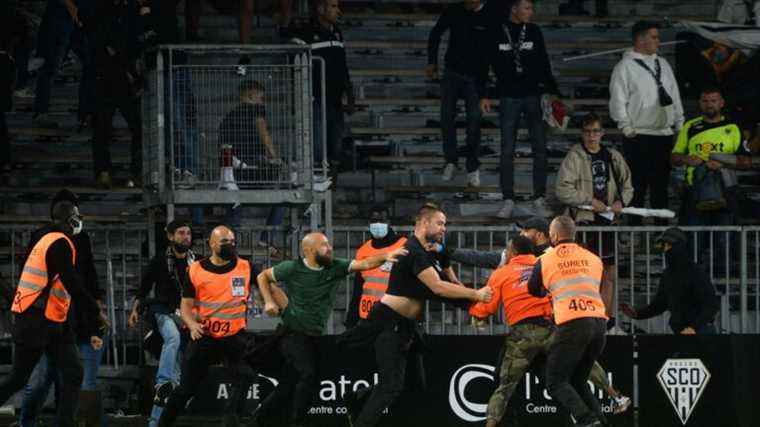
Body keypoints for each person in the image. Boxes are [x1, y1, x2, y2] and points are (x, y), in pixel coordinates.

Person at [340, 204, 493, 427]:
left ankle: (357, 397)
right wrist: (476, 295)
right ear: (423, 223)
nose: (444, 228)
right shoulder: (412, 250)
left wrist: (471, 305)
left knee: (414, 383)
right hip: (388, 324)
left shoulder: (427, 252)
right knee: (390, 386)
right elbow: (438, 287)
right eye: (440, 223)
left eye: (445, 224)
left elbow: (445, 284)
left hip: (406, 327)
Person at [252, 231, 408, 427]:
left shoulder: (336, 266)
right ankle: (298, 422)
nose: (330, 248)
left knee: (290, 384)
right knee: (307, 373)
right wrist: (268, 301)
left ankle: (259, 418)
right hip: (292, 333)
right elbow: (262, 276)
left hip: (315, 336)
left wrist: (385, 256)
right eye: (324, 245)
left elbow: (365, 264)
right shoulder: (292, 268)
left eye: (329, 244)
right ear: (309, 250)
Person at [157, 225, 286, 427]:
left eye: (233, 241)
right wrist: (191, 324)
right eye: (225, 242)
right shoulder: (196, 270)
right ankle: (162, 423)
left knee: (245, 375)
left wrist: (283, 307)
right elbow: (186, 305)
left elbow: (269, 286)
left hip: (234, 336)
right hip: (205, 335)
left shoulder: (245, 267)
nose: (230, 245)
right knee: (186, 389)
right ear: (212, 244)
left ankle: (230, 420)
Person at [0, 201, 106, 427]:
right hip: (36, 321)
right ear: (69, 219)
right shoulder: (59, 243)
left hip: (52, 319)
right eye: (76, 216)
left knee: (74, 373)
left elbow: (62, 288)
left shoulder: (47, 239)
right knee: (19, 378)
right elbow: (72, 283)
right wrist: (96, 311)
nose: (79, 220)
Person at [481, 0, 560, 219]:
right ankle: (508, 199)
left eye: (531, 8)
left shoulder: (534, 30)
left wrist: (554, 92)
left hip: (533, 96)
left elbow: (544, 62)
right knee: (507, 150)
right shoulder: (497, 31)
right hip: (508, 97)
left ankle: (538, 198)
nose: (531, 12)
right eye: (526, 8)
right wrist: (485, 93)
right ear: (514, 9)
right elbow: (487, 64)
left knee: (540, 148)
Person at [527, 216, 608, 427]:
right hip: (599, 325)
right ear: (574, 234)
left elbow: (533, 289)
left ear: (553, 236)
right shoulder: (593, 258)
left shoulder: (546, 259)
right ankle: (601, 423)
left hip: (572, 323)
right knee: (578, 381)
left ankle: (587, 420)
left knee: (554, 381)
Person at [556, 113, 633, 327]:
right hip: (584, 222)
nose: (592, 136)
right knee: (584, 273)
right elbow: (562, 190)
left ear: (602, 133)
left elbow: (628, 186)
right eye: (588, 132)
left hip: (608, 223)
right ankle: (587, 317)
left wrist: (621, 202)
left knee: (609, 272)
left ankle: (607, 319)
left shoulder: (612, 156)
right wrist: (589, 201)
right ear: (582, 133)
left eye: (596, 131)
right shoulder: (574, 156)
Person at [609, 20, 684, 226]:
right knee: (637, 187)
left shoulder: (663, 63)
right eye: (654, 37)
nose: (658, 41)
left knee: (661, 186)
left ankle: (662, 232)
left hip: (663, 134)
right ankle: (635, 230)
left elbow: (674, 94)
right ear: (641, 39)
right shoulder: (625, 66)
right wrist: (626, 127)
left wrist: (679, 123)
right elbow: (618, 99)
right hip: (638, 135)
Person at [128, 220, 195, 427]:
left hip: (185, 317)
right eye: (181, 233)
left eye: (188, 233)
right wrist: (134, 310)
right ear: (170, 236)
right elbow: (143, 287)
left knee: (176, 376)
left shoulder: (196, 263)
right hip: (162, 312)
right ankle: (162, 381)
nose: (186, 237)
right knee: (172, 338)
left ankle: (156, 422)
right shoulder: (159, 261)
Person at [426, 0, 491, 186]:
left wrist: (485, 91)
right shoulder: (455, 10)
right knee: (446, 117)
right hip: (452, 72)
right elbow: (435, 33)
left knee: (474, 121)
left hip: (476, 77)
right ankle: (451, 161)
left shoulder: (490, 15)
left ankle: (472, 166)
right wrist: (432, 62)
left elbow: (491, 54)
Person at [290, 0, 354, 173]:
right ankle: (317, 185)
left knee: (336, 147)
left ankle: (331, 188)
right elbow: (295, 65)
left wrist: (349, 92)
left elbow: (343, 65)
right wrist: (300, 96)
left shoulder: (337, 33)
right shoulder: (304, 33)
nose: (338, 11)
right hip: (314, 98)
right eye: (333, 6)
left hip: (335, 100)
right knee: (317, 146)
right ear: (320, 9)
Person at [620, 227, 720, 334]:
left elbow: (711, 305)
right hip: (680, 330)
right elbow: (660, 304)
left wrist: (693, 327)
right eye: (664, 246)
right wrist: (638, 314)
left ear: (680, 246)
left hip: (701, 331)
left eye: (669, 245)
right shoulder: (667, 274)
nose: (666, 250)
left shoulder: (695, 273)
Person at [671, 87, 743, 226]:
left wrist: (723, 163)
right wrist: (687, 159)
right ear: (700, 103)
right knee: (694, 240)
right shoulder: (690, 126)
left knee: (725, 241)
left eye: (713, 101)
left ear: (721, 103)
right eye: (705, 101)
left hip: (726, 189)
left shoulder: (733, 127)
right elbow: (674, 158)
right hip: (695, 189)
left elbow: (745, 162)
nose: (709, 104)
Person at [92, 0, 144, 189]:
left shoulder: (130, 10)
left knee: (137, 126)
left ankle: (135, 172)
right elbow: (103, 42)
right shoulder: (103, 10)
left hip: (124, 79)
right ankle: (103, 171)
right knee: (102, 127)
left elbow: (135, 41)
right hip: (106, 77)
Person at [345, 205, 408, 328]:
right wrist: (351, 321)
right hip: (367, 317)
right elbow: (358, 289)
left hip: (393, 317)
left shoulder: (404, 245)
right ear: (369, 223)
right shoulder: (363, 250)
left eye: (382, 220)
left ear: (389, 222)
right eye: (374, 221)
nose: (378, 224)